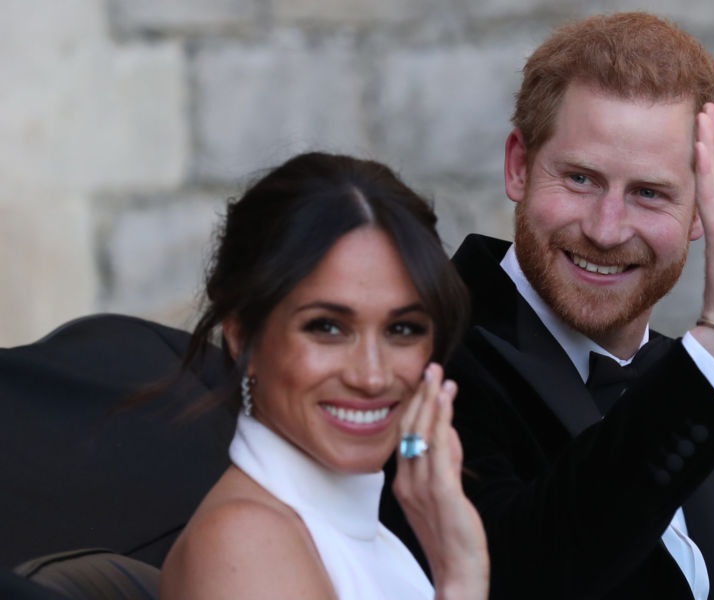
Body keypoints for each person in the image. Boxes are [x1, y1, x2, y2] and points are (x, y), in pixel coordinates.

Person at [381, 12, 714, 600]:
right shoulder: (424, 356)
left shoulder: (689, 379)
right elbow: (511, 573)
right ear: (519, 167)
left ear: (703, 212)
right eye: (580, 179)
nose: (607, 230)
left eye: (649, 193)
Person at [159, 153, 489, 599]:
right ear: (242, 339)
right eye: (327, 328)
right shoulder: (245, 542)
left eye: (402, 329)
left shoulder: (370, 535)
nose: (371, 376)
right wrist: (460, 582)